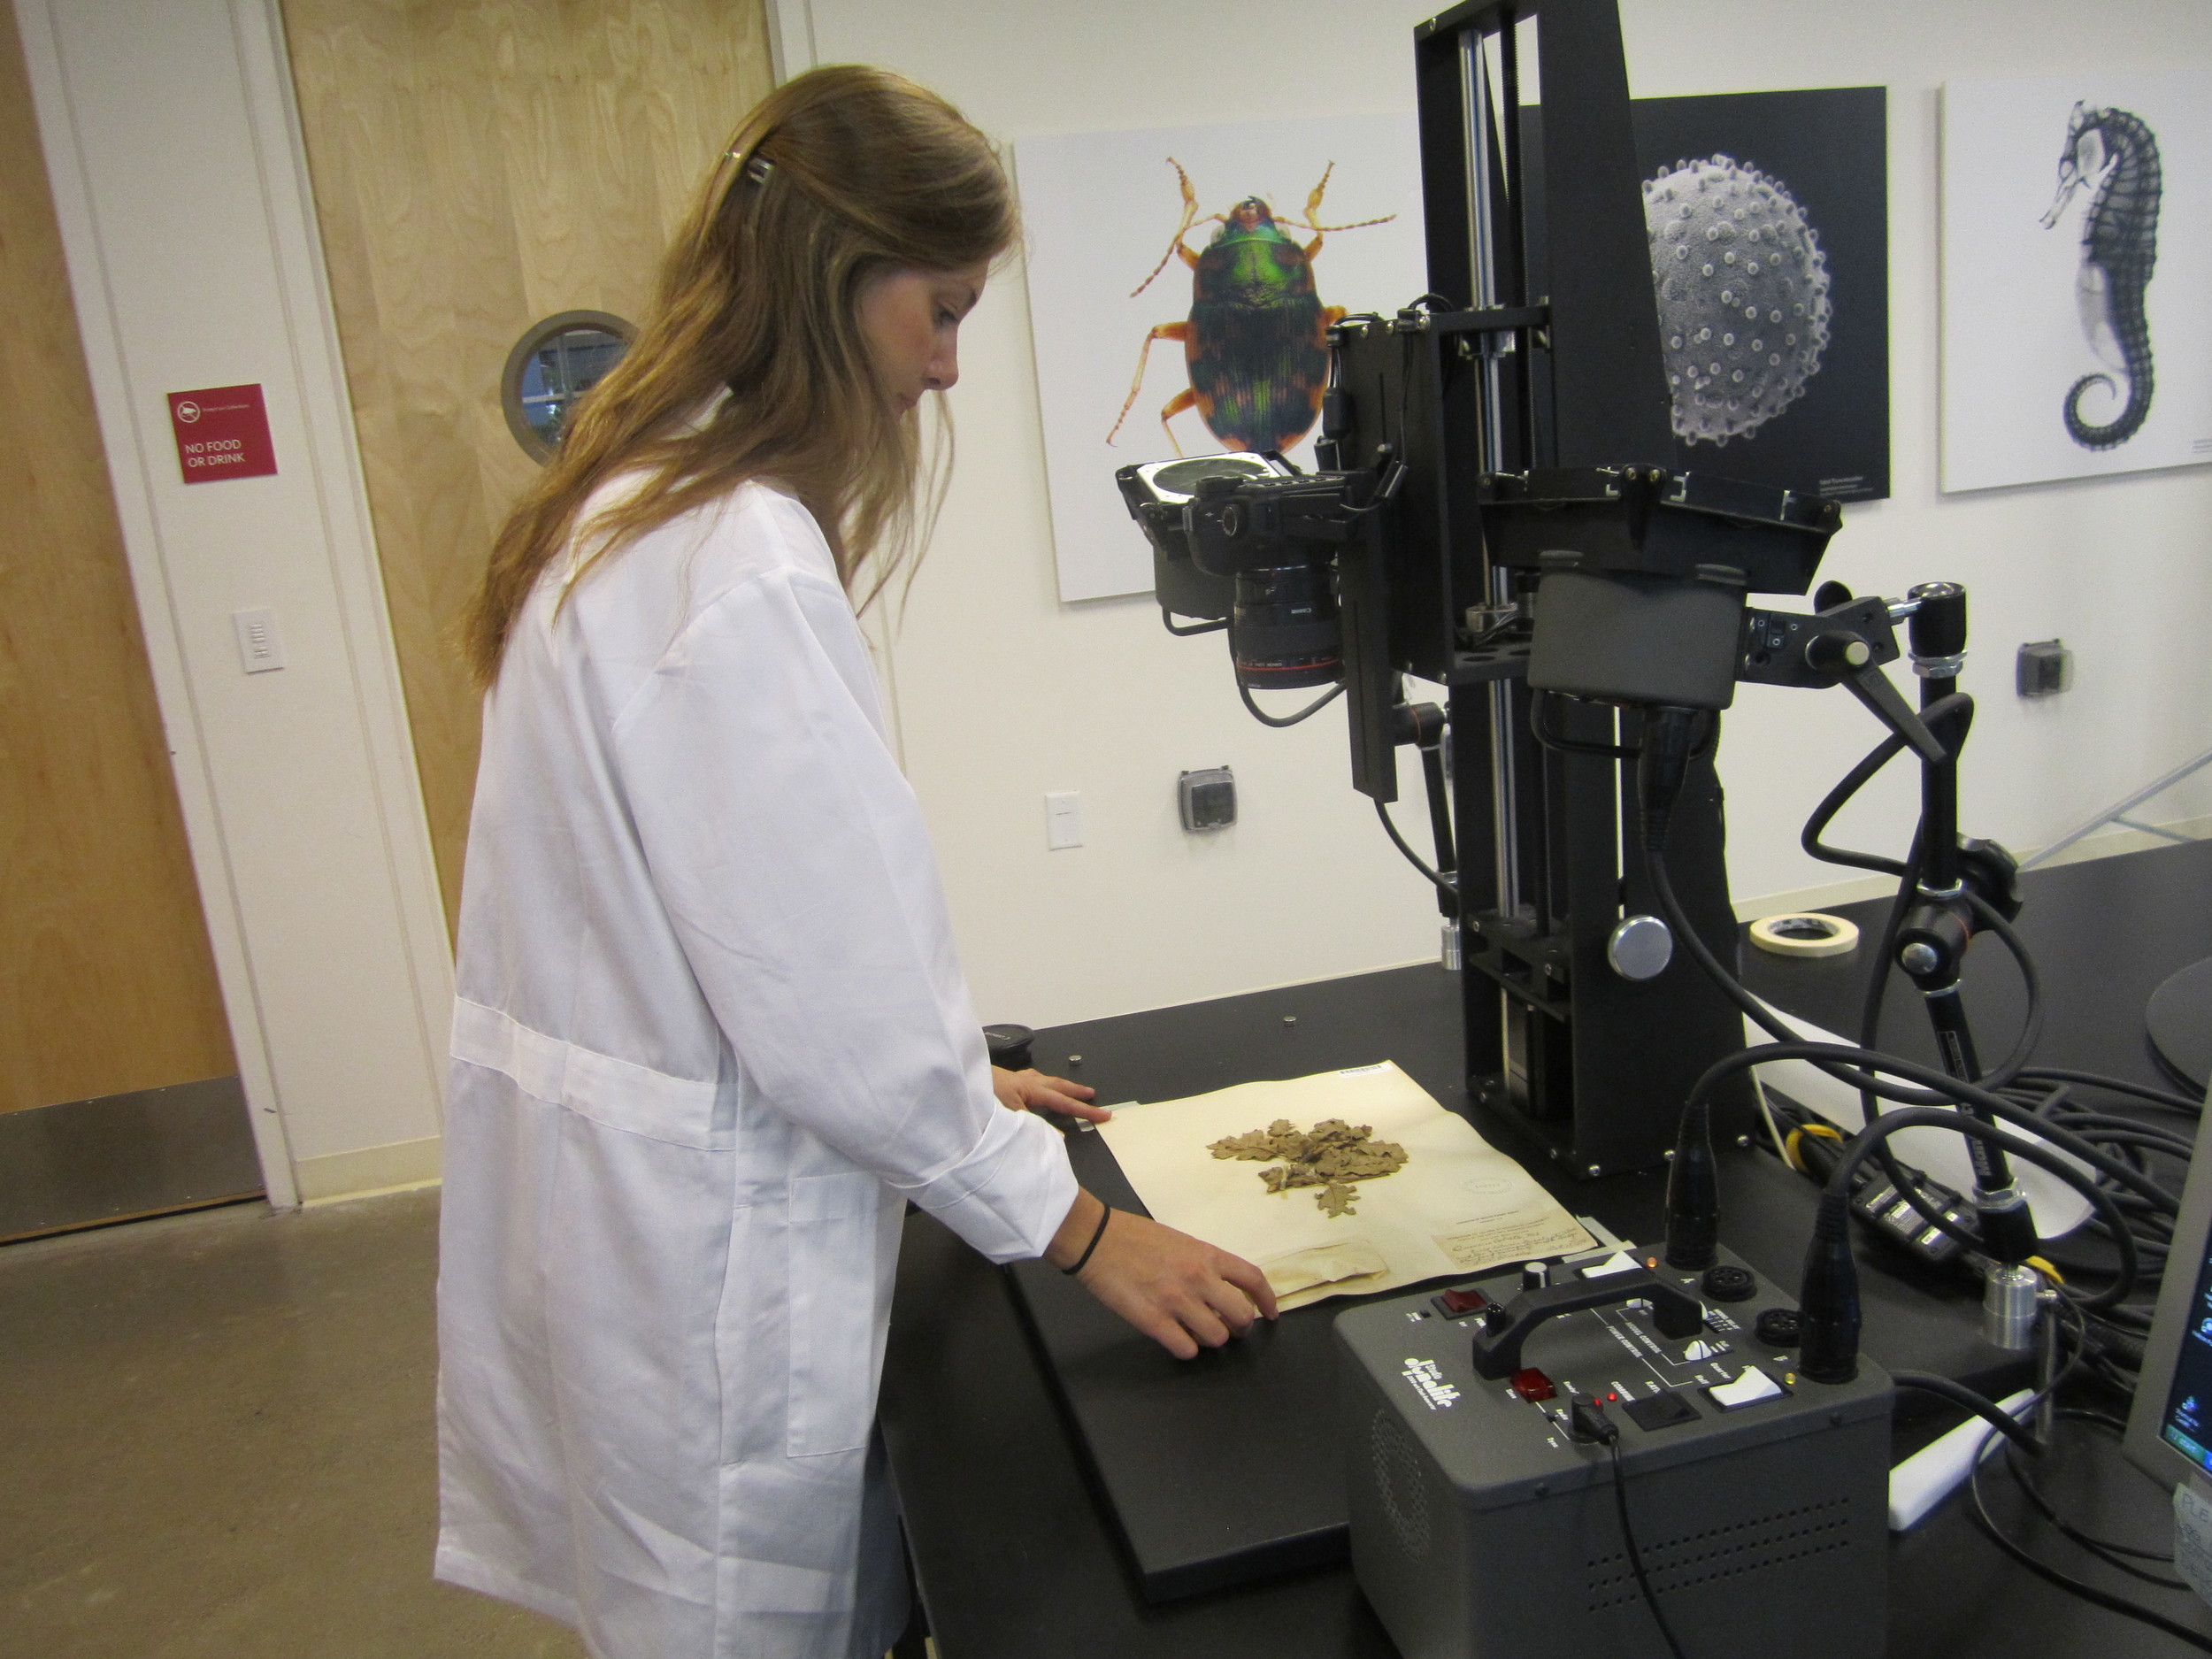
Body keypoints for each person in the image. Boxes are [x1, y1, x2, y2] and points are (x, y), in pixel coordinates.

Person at [433, 65, 1278, 1659]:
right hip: (709, 1276)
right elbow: (821, 995)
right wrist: (1079, 1227)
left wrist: (947, 1077)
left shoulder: (623, 506)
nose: (948, 367)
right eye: (940, 310)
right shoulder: (734, 555)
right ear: (836, 281)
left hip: (622, 1234)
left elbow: (734, 921)